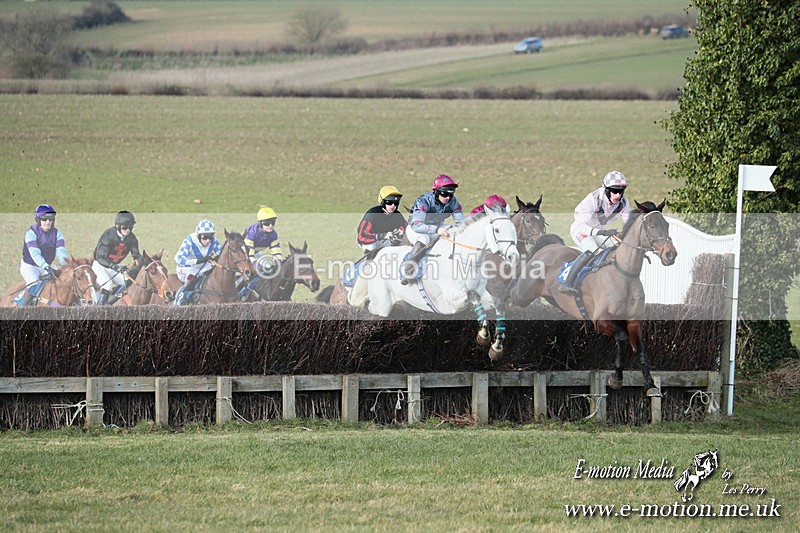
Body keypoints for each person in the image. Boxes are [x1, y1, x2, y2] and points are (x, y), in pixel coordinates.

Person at [560, 170, 631, 294]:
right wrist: (603, 233)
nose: (618, 196)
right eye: (614, 191)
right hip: (581, 230)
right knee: (593, 251)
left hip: (598, 231)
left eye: (621, 192)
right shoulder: (593, 199)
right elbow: (581, 226)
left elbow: (628, 223)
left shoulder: (624, 202)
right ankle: (568, 283)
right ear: (606, 189)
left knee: (617, 246)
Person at [402, 174, 465, 284]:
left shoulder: (453, 202)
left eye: (451, 194)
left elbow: (462, 224)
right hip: (416, 229)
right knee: (424, 239)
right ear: (436, 191)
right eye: (444, 194)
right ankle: (408, 269)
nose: (448, 198)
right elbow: (417, 225)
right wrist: (436, 230)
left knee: (452, 232)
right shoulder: (423, 201)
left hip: (436, 226)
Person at [19, 204, 69, 306]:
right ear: (38, 220)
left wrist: (65, 265)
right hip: (30, 266)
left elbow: (61, 250)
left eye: (50, 219)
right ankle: (21, 309)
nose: (47, 222)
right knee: (34, 285)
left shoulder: (57, 233)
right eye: (44, 219)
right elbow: (35, 254)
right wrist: (46, 266)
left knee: (60, 281)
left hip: (46, 265)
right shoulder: (31, 233)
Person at [92, 210, 142, 305]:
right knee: (107, 285)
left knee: (127, 282)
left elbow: (136, 255)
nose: (128, 230)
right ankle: (99, 310)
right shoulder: (108, 236)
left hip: (115, 266)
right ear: (117, 226)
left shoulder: (132, 238)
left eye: (131, 227)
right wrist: (114, 267)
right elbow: (100, 257)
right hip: (100, 266)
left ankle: (112, 302)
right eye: (125, 227)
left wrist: (138, 265)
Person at [174, 219, 223, 305]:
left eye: (210, 237)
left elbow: (221, 253)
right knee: (192, 277)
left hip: (204, 266)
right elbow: (179, 260)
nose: (208, 241)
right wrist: (198, 261)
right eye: (205, 237)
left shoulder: (213, 241)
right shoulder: (189, 241)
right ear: (198, 236)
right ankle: (182, 296)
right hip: (186, 268)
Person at [357, 185, 407, 253]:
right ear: (382, 202)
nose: (393, 205)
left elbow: (406, 227)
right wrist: (381, 235)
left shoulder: (397, 215)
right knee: (371, 248)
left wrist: (401, 232)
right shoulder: (372, 214)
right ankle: (365, 263)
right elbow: (362, 236)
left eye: (396, 203)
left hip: (387, 240)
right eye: (389, 202)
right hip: (370, 241)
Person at [243, 206, 284, 276]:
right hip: (243, 253)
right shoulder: (252, 232)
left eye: (273, 222)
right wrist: (255, 263)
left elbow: (276, 252)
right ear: (260, 223)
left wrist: (278, 261)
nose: (270, 226)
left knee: (267, 267)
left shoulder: (273, 235)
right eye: (266, 223)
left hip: (255, 253)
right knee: (251, 271)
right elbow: (248, 254)